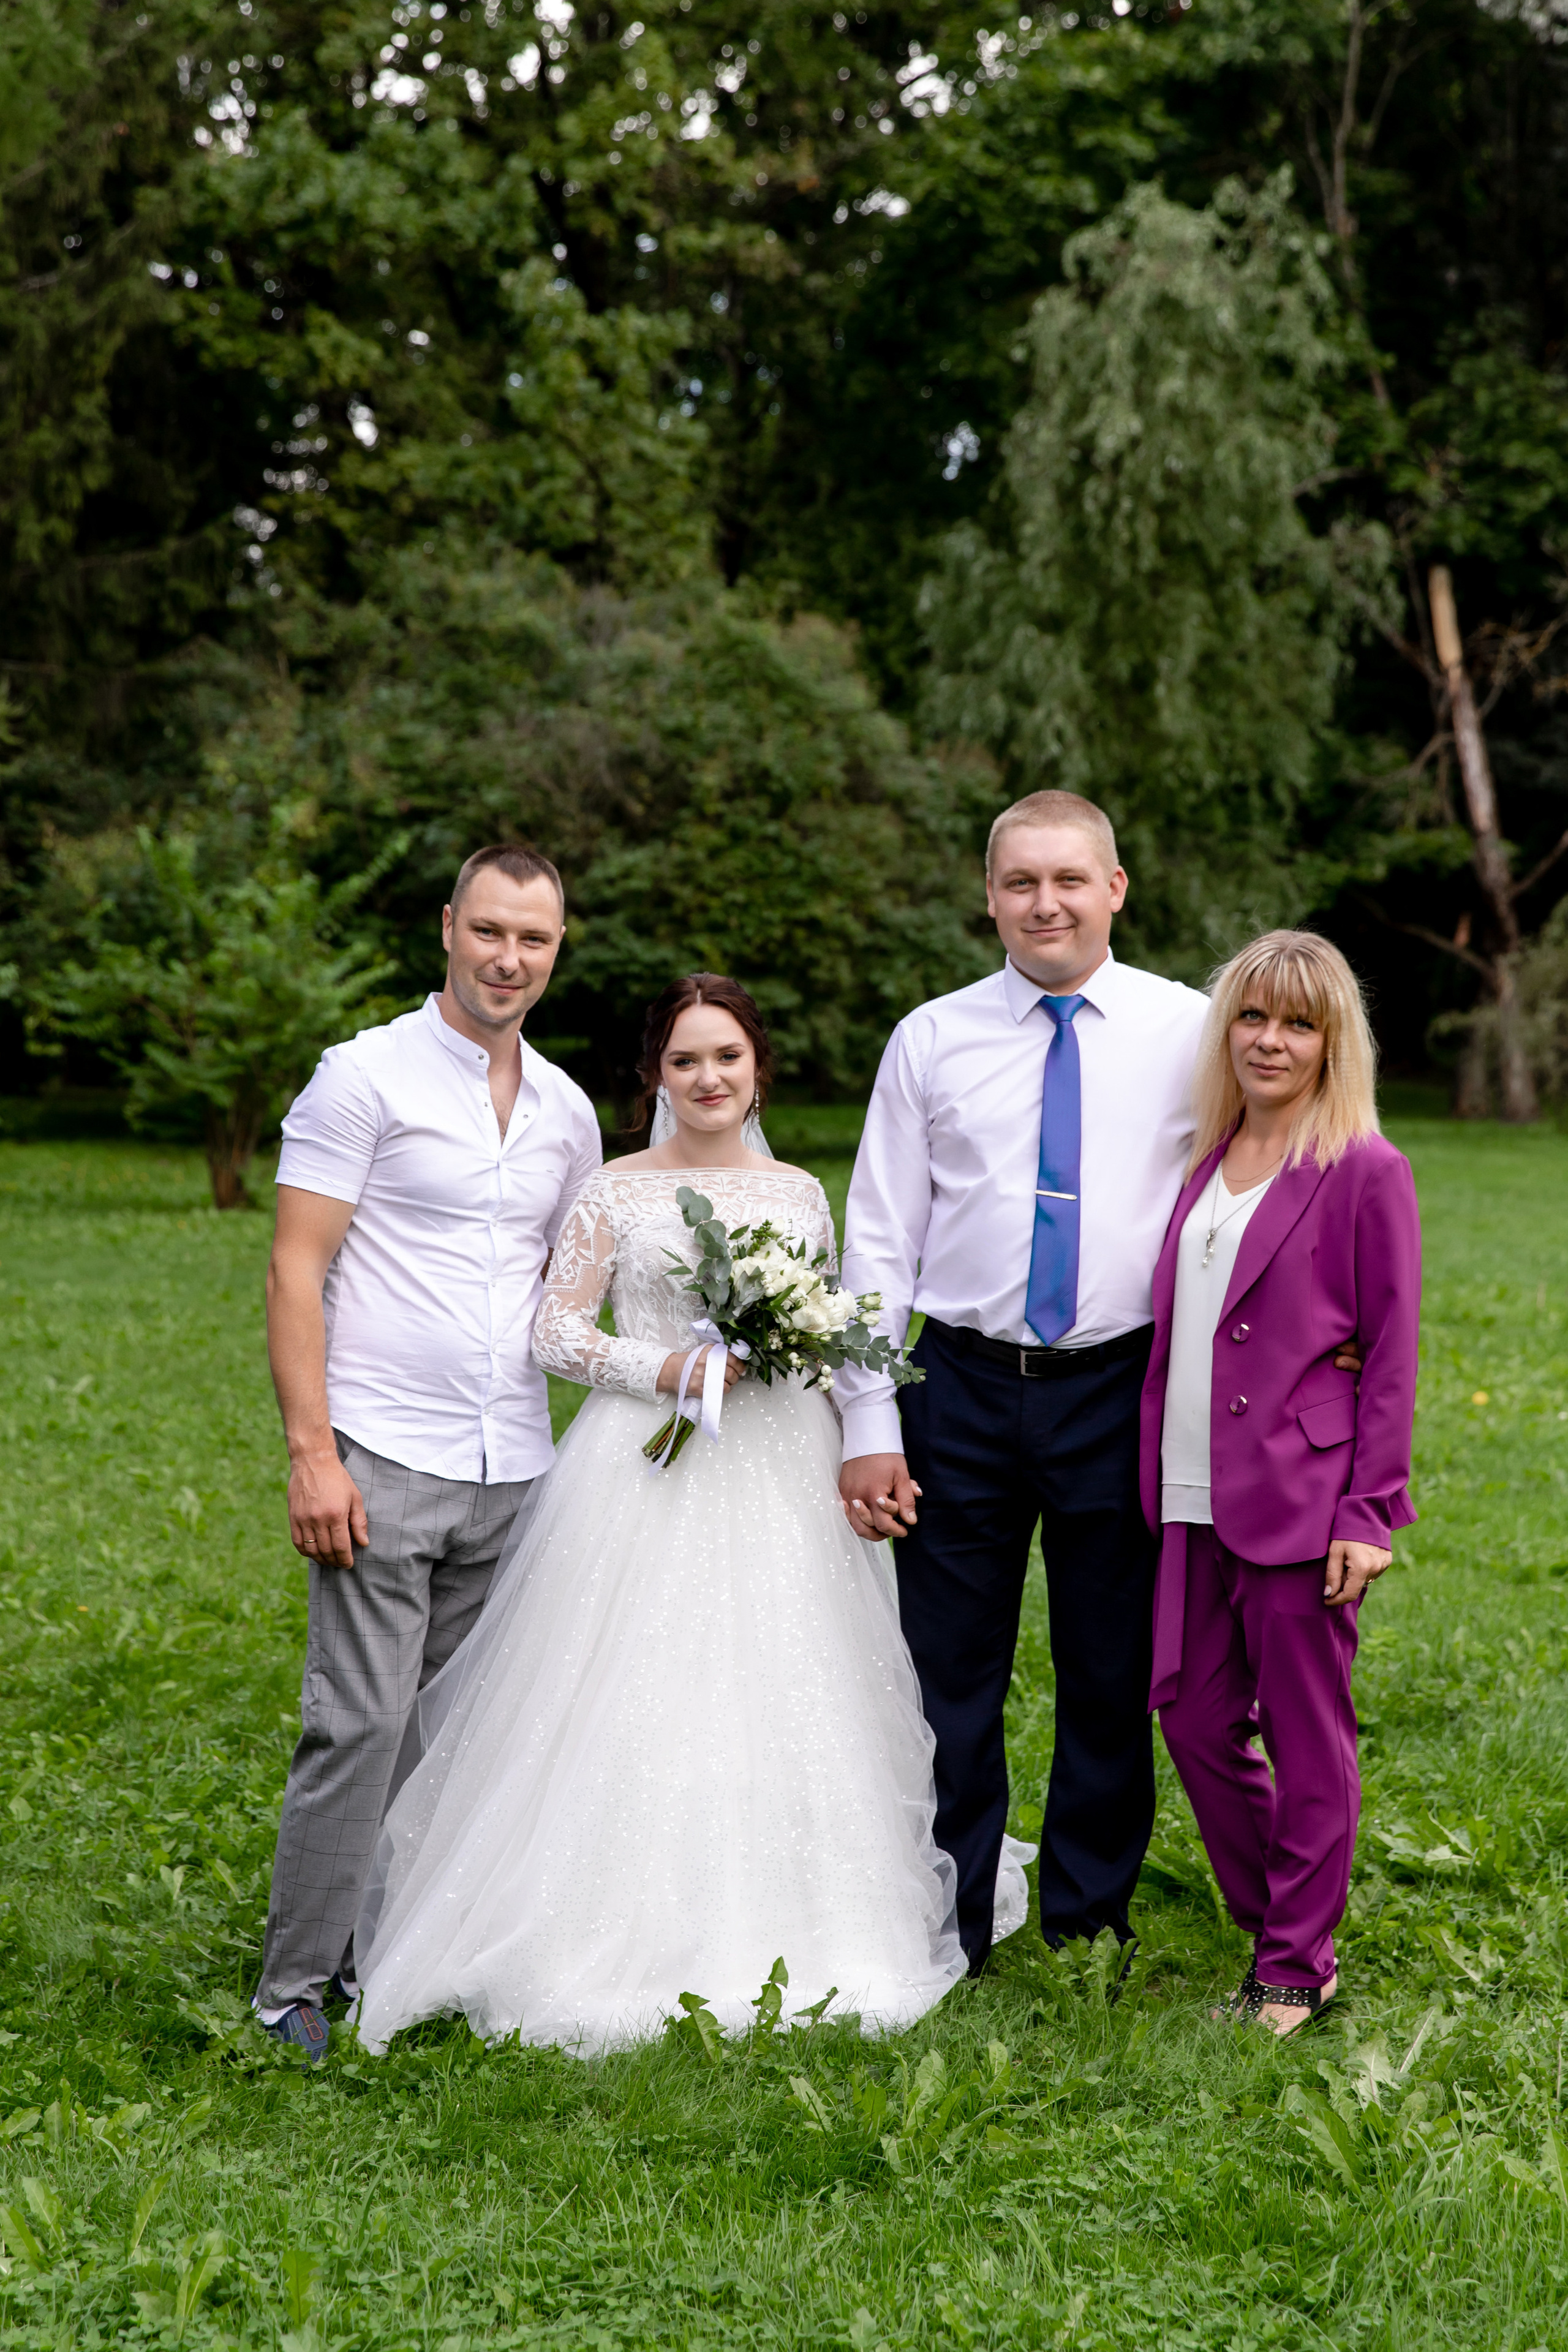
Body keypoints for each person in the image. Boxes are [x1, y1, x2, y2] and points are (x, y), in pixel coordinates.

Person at [352, 974, 1030, 2055]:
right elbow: (556, 1333)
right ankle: (599, 1923)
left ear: (757, 1069)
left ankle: (813, 1916)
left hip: (780, 1464)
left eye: (727, 1057)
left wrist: (827, 1395)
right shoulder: (614, 1191)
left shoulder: (800, 1194)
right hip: (644, 1464)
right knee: (636, 1679)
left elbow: (825, 1329)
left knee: (792, 1678)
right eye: (684, 1060)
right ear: (655, 1076)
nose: (708, 1078)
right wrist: (671, 1368)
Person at [836, 790, 1212, 1975]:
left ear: (1115, 889)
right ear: (990, 896)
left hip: (1124, 1386)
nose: (1045, 904)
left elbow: (1267, 1191)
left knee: (1110, 1665)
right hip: (957, 1384)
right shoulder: (931, 1039)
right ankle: (948, 1915)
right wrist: (866, 1419)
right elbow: (878, 1239)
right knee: (946, 1669)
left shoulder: (1195, 1032)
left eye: (1069, 879)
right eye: (1020, 883)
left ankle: (1089, 1917)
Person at [254, 843, 601, 2059]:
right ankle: (295, 1988)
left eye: (533, 939)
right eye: (489, 931)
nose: (508, 958)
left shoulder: (565, 1111)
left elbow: (577, 1285)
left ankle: (398, 1956)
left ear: (556, 952)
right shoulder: (362, 1076)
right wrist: (313, 1455)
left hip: (513, 1465)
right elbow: (294, 1269)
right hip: (382, 1451)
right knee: (359, 1724)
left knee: (457, 1732)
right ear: (449, 926)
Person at [1139, 929, 1420, 2034]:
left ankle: (1295, 1967)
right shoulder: (1205, 1159)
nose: (1271, 1041)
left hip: (1303, 1497)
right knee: (1195, 1724)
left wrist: (1370, 1510)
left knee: (1309, 1739)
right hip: (1191, 1488)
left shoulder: (1364, 1168)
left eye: (1299, 1024)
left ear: (1331, 1042)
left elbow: (1391, 1351)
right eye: (1253, 1017)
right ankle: (1289, 1931)